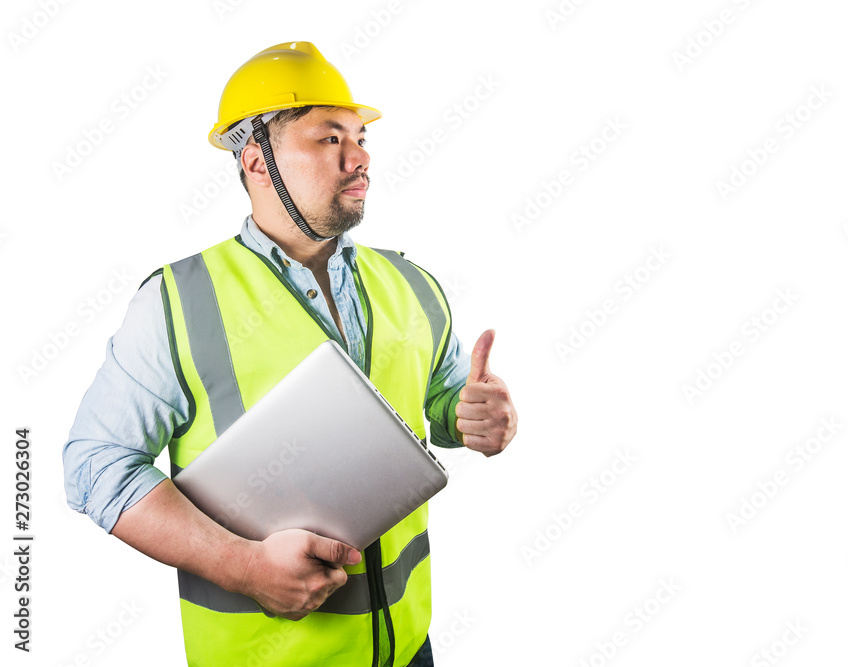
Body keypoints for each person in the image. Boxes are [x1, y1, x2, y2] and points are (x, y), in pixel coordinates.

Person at [61, 41, 517, 667]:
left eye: (360, 138)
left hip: (409, 650)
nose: (359, 158)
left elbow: (440, 402)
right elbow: (95, 464)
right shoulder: (178, 300)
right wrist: (241, 565)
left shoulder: (410, 282)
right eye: (329, 139)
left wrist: (470, 417)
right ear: (255, 160)